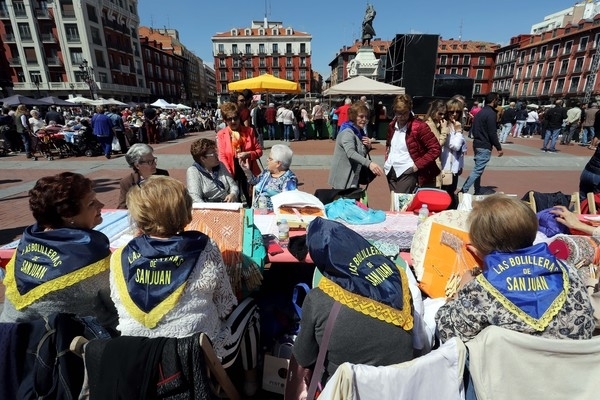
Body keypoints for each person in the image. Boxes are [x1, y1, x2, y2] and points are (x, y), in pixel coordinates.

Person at [109, 176, 260, 395]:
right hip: (197, 356)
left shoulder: (121, 255)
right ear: (183, 210)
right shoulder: (203, 248)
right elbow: (225, 305)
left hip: (137, 356)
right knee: (250, 308)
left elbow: (117, 303)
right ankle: (251, 384)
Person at [436, 194, 595, 343]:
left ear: (481, 245)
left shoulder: (482, 288)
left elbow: (448, 333)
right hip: (573, 367)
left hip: (510, 372)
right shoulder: (568, 271)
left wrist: (460, 291)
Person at [294, 217, 414, 384]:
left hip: (346, 389)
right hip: (400, 385)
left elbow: (304, 357)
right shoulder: (395, 280)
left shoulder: (317, 300)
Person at [0, 172, 118, 332]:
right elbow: (116, 303)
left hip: (10, 333)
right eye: (91, 204)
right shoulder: (87, 255)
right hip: (67, 344)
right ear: (68, 216)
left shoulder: (29, 241)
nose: (101, 205)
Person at [384, 94, 441, 193]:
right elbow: (389, 145)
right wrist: (387, 159)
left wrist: (417, 166)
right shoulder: (392, 126)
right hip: (391, 170)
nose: (401, 117)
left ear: (410, 110)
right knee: (394, 204)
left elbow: (435, 148)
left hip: (407, 170)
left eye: (404, 113)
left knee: (401, 205)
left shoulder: (419, 126)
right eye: (398, 113)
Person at [328, 101, 384, 189]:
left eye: (366, 117)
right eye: (361, 116)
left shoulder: (359, 133)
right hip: (343, 180)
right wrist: (369, 164)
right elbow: (351, 153)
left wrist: (367, 147)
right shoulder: (348, 132)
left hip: (353, 177)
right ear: (354, 117)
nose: (364, 119)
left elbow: (360, 153)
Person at [216, 102, 263, 205]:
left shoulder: (249, 131)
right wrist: (228, 175)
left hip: (248, 170)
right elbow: (222, 156)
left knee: (251, 198)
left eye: (235, 118)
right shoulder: (221, 134)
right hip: (231, 170)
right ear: (225, 120)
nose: (233, 121)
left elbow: (259, 151)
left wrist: (249, 154)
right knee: (235, 200)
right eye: (229, 119)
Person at [459, 92, 503, 195]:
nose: (498, 102)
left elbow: (474, 129)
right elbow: (492, 132)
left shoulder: (480, 112)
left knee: (478, 169)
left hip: (477, 143)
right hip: (485, 144)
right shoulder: (491, 114)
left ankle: (477, 190)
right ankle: (463, 191)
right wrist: (498, 147)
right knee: (477, 170)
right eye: (498, 100)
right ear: (494, 100)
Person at [240, 144, 298, 210]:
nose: (267, 160)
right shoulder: (267, 171)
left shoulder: (289, 179)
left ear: (278, 163)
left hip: (272, 216)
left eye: (270, 159)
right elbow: (255, 182)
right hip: (256, 211)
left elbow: (287, 205)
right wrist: (247, 170)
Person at [186, 138, 239, 203]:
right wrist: (209, 210)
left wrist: (233, 194)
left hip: (228, 204)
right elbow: (194, 197)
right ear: (203, 158)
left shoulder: (220, 165)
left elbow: (233, 185)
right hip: (209, 208)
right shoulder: (193, 171)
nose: (217, 155)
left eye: (215, 152)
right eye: (213, 154)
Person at [117, 143, 169, 209]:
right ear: (137, 165)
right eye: (150, 162)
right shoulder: (127, 182)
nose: (155, 164)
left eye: (154, 159)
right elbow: (123, 207)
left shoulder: (163, 175)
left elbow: (170, 199)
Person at [441, 99, 467, 208]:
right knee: (444, 195)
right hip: (446, 166)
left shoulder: (457, 125)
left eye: (458, 112)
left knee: (451, 192)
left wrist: (460, 165)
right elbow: (454, 146)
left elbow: (461, 149)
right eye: (451, 112)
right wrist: (459, 131)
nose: (454, 114)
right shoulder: (445, 125)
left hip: (454, 167)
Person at [424, 99, 448, 188]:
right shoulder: (430, 124)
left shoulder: (435, 124)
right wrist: (444, 130)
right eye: (440, 113)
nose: (442, 116)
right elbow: (437, 144)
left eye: (444, 114)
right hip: (432, 163)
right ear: (434, 111)